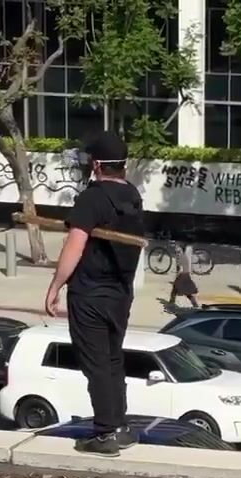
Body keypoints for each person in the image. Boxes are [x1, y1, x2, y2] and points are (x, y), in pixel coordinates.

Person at [45, 131, 145, 457]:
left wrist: (55, 285)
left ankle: (104, 433)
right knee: (113, 359)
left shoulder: (92, 198)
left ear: (97, 164)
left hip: (89, 294)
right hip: (120, 295)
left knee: (96, 365)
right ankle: (120, 427)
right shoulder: (132, 196)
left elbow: (74, 245)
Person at [169, 243, 199, 309]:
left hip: (182, 275)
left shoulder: (181, 256)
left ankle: (171, 303)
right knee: (181, 290)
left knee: (178, 289)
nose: (176, 250)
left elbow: (180, 268)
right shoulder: (185, 255)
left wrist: (177, 276)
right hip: (186, 275)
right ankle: (195, 304)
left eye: (178, 249)